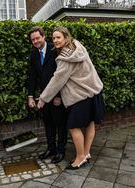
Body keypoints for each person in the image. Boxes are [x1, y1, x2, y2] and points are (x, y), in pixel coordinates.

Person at [37, 26, 105, 170]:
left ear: (66, 38)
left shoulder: (65, 58)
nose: (55, 40)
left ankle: (80, 157)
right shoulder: (79, 47)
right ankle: (86, 153)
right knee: (90, 124)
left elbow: (57, 80)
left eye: (58, 37)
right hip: (94, 92)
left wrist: (43, 99)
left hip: (81, 96)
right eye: (53, 38)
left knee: (73, 126)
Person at [28, 26, 68, 164]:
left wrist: (59, 96)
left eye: (38, 38)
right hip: (43, 97)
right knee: (48, 124)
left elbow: (62, 76)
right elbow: (32, 75)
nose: (36, 41)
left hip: (56, 96)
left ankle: (61, 151)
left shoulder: (55, 50)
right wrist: (30, 96)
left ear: (44, 37)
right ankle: (51, 148)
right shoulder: (34, 54)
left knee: (60, 124)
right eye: (33, 39)